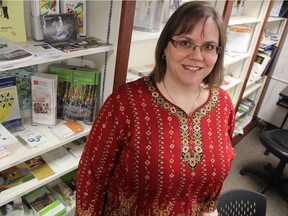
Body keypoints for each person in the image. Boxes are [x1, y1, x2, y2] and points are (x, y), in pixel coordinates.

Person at [76, 1, 236, 215]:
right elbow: (92, 176)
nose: (197, 56)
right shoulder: (125, 103)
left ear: (217, 54)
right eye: (185, 43)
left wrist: (209, 209)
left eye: (208, 46)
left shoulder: (223, 104)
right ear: (165, 47)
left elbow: (216, 176)